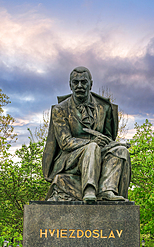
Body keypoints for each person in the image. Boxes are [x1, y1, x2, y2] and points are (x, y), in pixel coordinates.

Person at [42, 66, 131, 202]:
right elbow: (65, 142)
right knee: (92, 147)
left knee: (121, 151)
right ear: (70, 85)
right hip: (71, 157)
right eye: (75, 82)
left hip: (98, 151)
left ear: (91, 84)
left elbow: (107, 137)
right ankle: (89, 190)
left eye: (83, 82)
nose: (79, 86)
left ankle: (107, 189)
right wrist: (91, 142)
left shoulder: (104, 108)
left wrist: (114, 144)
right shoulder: (60, 109)